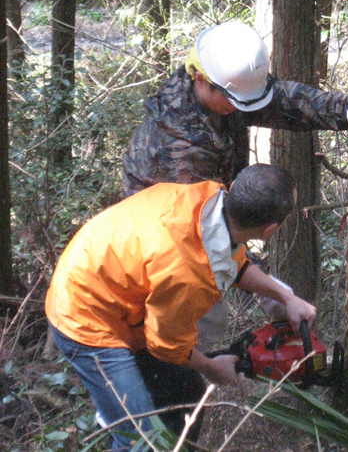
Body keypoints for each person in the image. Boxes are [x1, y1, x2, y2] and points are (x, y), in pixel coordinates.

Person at [45, 164, 316, 451]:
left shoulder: (206, 202)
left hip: (112, 286)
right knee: (138, 439)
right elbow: (165, 344)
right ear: (270, 230)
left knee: (185, 397)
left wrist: (287, 298)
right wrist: (210, 367)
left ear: (234, 188)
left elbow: (231, 262)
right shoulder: (187, 272)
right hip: (85, 317)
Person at [122, 21, 348, 196]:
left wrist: (343, 109)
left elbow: (284, 101)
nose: (238, 107)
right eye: (235, 101)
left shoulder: (221, 89)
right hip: (162, 247)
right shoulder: (178, 147)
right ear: (200, 80)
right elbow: (204, 231)